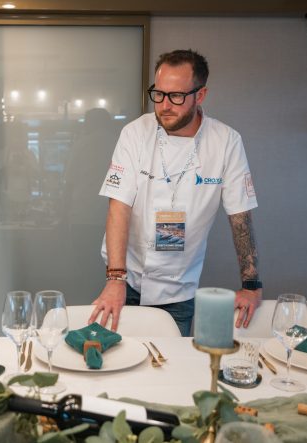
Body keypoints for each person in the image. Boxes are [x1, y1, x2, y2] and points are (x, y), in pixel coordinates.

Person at [88, 49, 261, 336]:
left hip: (178, 288)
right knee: (120, 356)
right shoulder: (135, 133)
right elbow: (119, 205)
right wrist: (115, 279)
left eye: (176, 96)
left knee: (170, 360)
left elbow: (240, 214)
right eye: (159, 94)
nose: (165, 105)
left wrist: (251, 284)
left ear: (200, 95)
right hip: (126, 278)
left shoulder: (226, 142)